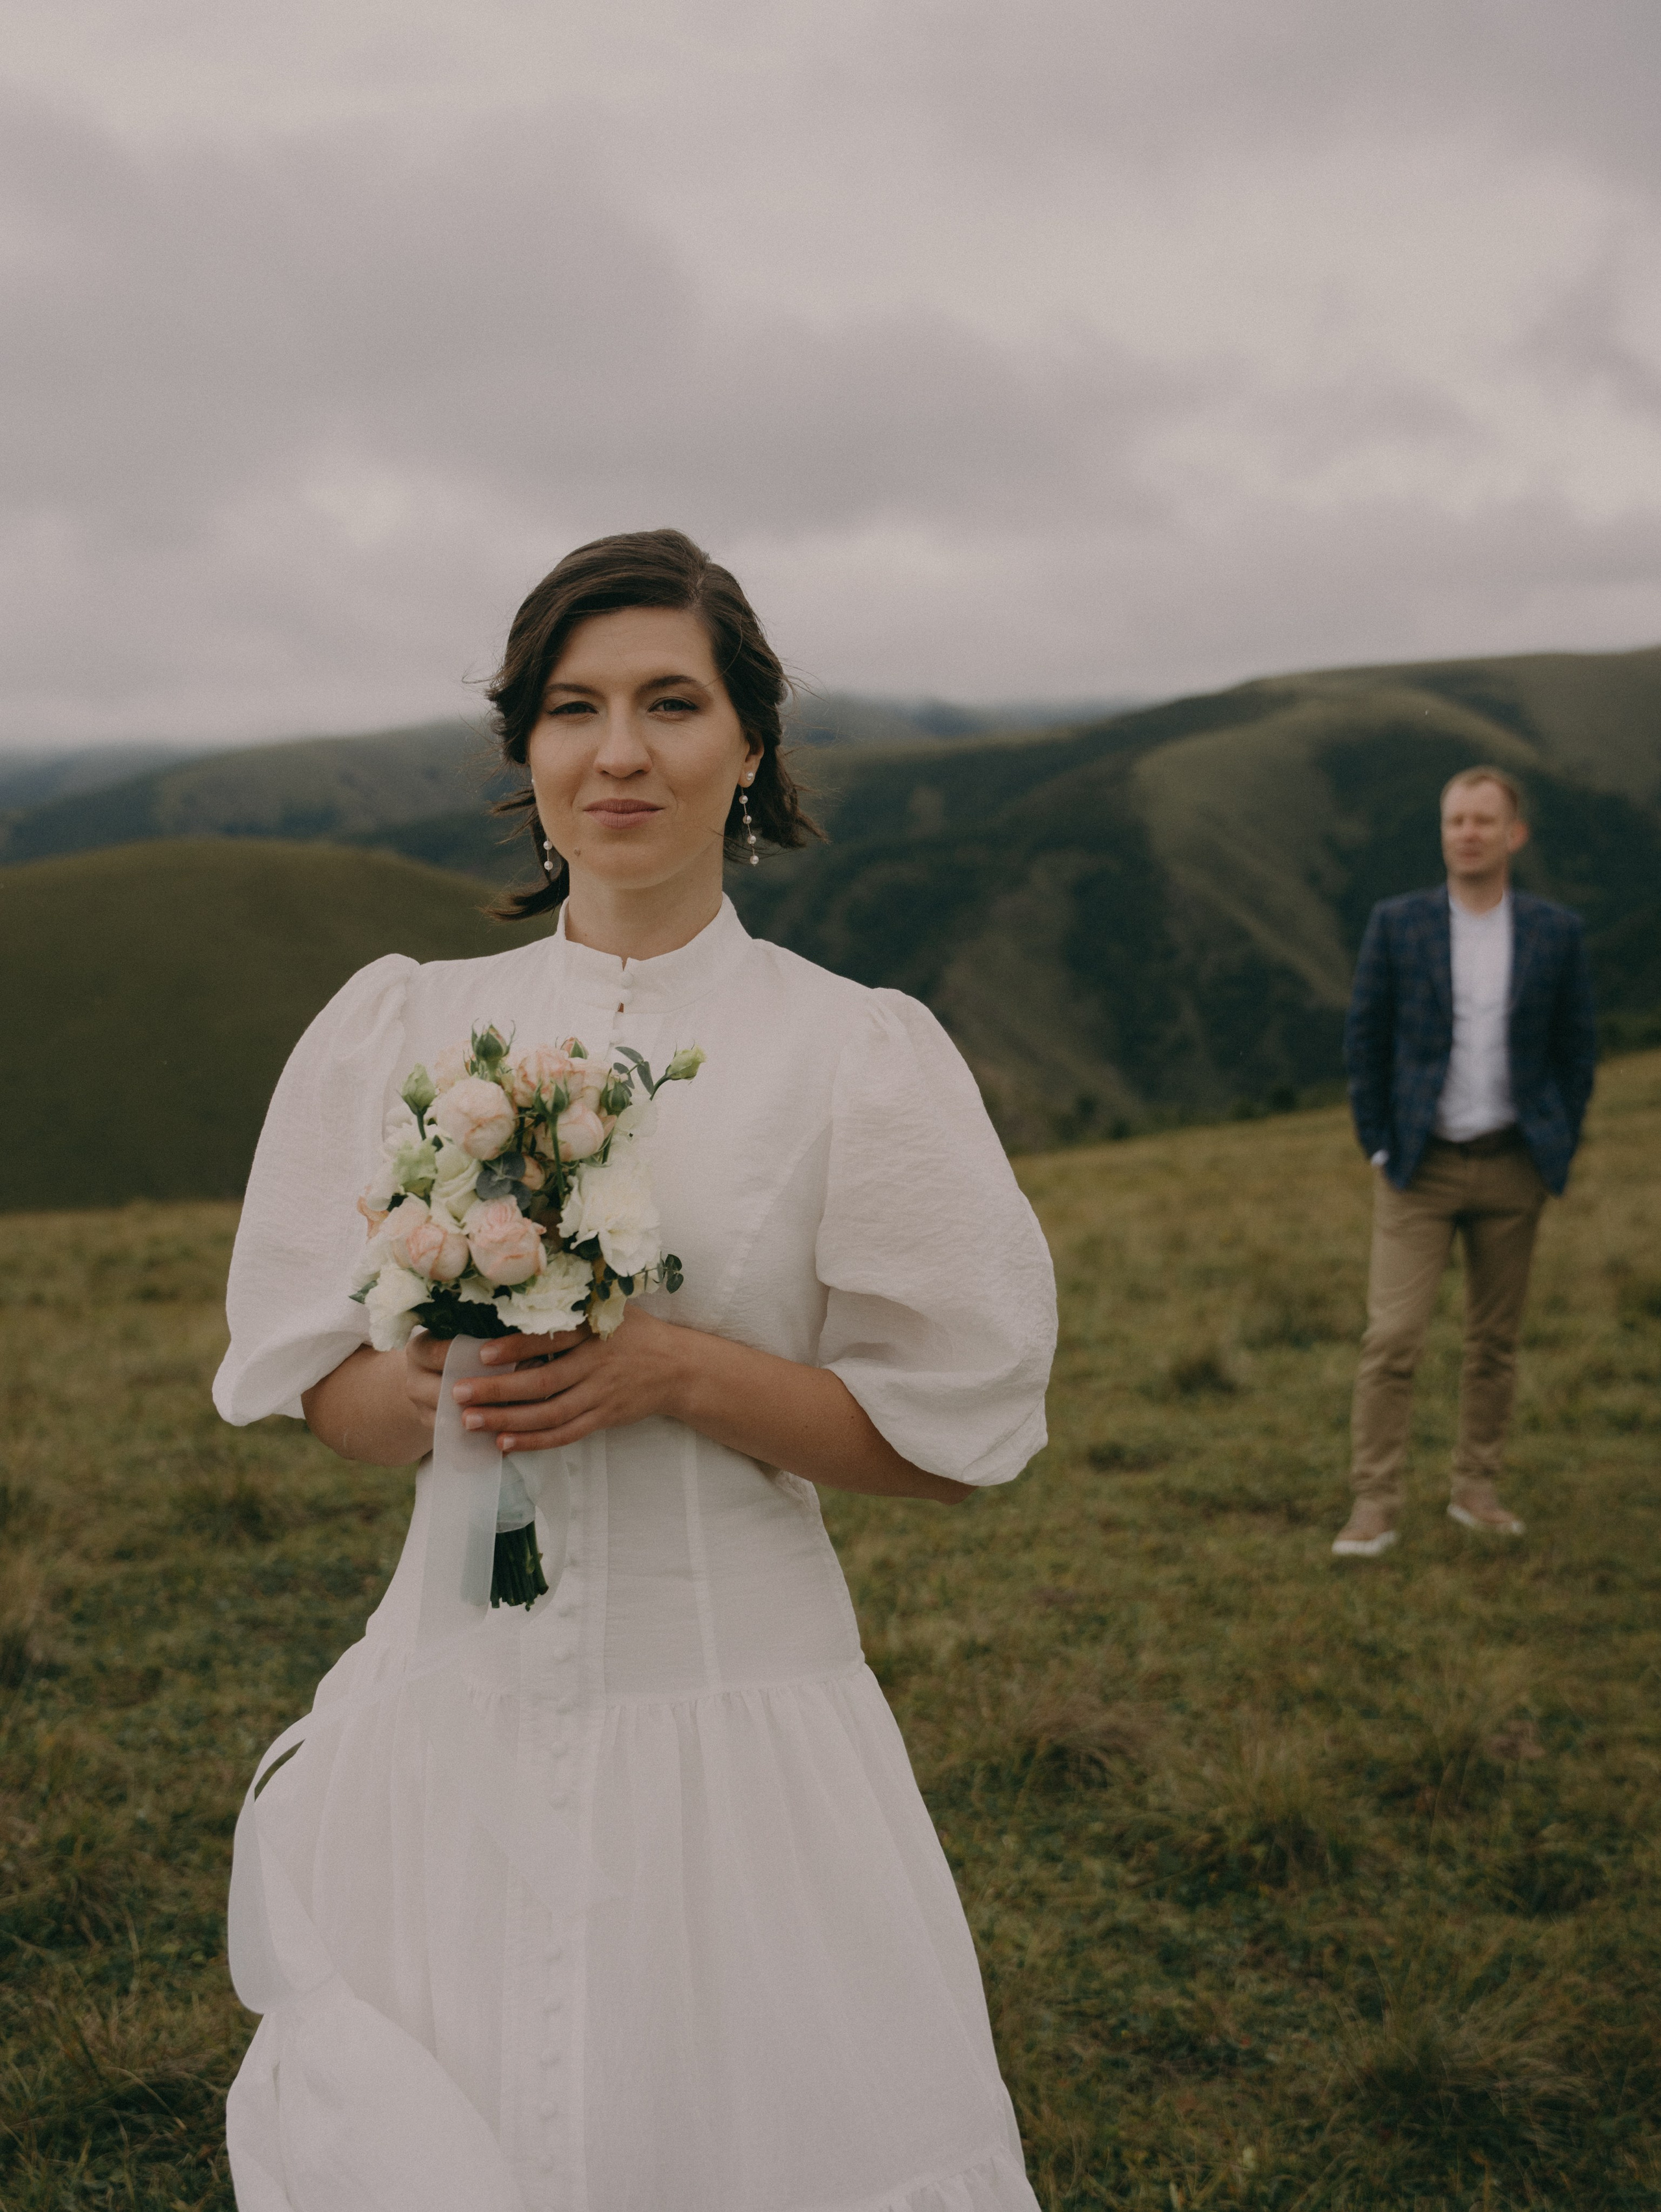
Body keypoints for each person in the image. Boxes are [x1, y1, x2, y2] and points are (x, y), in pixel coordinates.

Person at [213, 528, 1058, 2211]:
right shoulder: (403, 1025)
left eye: (673, 702)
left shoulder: (849, 1049)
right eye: (574, 707)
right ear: (524, 751)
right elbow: (336, 1402)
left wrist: (673, 1371)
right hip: (452, 1703)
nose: (622, 751)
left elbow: (953, 1439)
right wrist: (445, 1377)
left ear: (751, 744)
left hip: (736, 1718)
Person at [1332, 765, 1595, 1559]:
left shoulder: (1554, 931)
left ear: (1512, 834)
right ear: (1442, 832)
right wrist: (1378, 1140)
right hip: (1418, 1166)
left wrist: (1559, 1137)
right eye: (1455, 820)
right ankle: (1373, 1502)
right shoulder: (1397, 923)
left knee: (1493, 1341)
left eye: (1484, 820)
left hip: (1514, 1163)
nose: (1468, 833)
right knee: (1393, 1338)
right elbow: (1365, 1038)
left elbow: (1575, 1048)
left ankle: (1474, 1488)